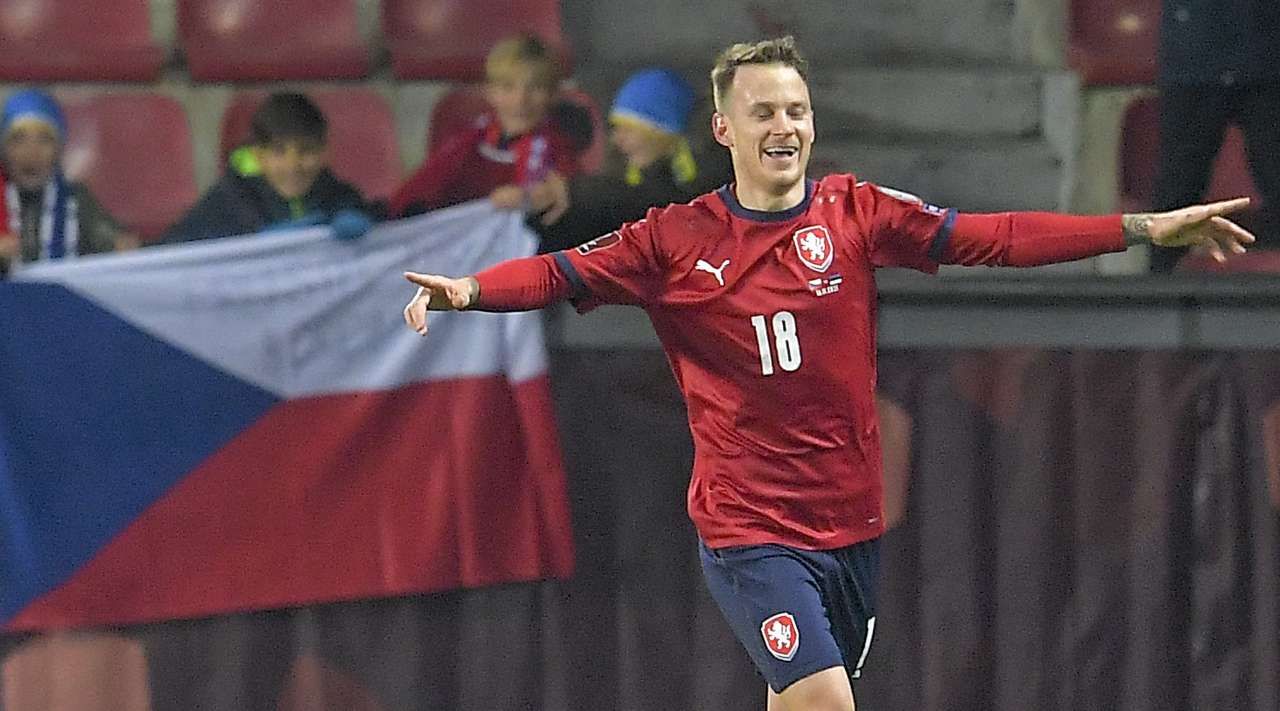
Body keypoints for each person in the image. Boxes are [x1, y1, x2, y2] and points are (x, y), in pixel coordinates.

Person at [399, 37, 1254, 711]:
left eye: (797, 110)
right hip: (748, 528)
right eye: (764, 111)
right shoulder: (673, 238)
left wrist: (1140, 227)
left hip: (850, 523)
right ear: (724, 129)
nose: (785, 126)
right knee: (823, 698)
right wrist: (469, 289)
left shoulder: (856, 212)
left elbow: (994, 237)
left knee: (799, 698)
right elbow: (559, 272)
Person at [536, 67, 732, 253]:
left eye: (629, 129)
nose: (617, 139)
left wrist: (577, 192)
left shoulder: (710, 175)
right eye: (616, 128)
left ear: (663, 130)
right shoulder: (627, 170)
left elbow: (655, 202)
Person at [387, 34, 576, 225]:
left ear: (553, 94)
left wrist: (531, 197)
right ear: (490, 92)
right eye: (507, 87)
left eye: (535, 88)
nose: (520, 100)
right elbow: (423, 185)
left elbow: (566, 192)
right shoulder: (470, 139)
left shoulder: (557, 148)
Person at [1149, 0, 1279, 272]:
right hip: (1195, 57)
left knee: (1275, 175)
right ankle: (1161, 284)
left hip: (1265, 56)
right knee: (1178, 188)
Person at [163, 92, 372, 244]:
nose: (292, 166)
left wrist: (364, 217)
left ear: (325, 153)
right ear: (258, 155)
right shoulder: (226, 202)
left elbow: (377, 216)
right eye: (279, 152)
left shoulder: (339, 196)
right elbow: (172, 253)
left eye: (306, 151)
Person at [0, 89, 137, 278]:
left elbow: (109, 238)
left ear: (59, 150)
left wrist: (120, 245)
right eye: (18, 139)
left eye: (45, 139)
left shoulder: (76, 198)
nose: (32, 152)